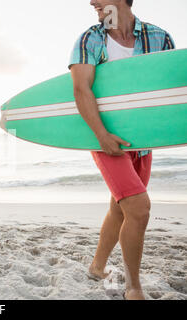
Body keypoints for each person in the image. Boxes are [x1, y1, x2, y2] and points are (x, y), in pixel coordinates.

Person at [69, 0, 175, 300]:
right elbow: (81, 89)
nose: (91, 1)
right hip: (103, 138)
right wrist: (101, 134)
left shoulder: (160, 38)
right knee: (139, 210)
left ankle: (96, 266)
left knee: (121, 207)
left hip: (142, 141)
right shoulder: (91, 38)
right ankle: (133, 288)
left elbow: (167, 89)